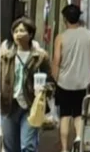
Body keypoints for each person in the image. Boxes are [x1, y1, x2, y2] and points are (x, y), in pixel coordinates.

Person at [0, 17, 52, 152]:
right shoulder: (6, 56)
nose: (18, 34)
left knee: (28, 146)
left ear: (30, 34)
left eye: (22, 31)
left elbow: (51, 82)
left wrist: (44, 89)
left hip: (31, 105)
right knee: (10, 146)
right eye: (15, 31)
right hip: (8, 105)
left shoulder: (40, 57)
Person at [53, 4, 90, 152]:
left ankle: (65, 149)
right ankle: (78, 139)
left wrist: (55, 79)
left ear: (65, 19)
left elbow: (56, 61)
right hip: (83, 82)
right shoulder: (88, 35)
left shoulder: (61, 37)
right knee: (79, 113)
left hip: (64, 82)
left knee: (64, 115)